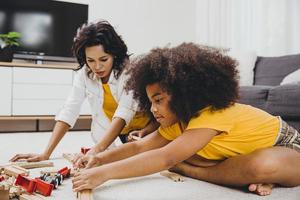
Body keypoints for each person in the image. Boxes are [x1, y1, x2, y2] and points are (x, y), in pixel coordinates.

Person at [72, 43, 300, 196]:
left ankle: (193, 170)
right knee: (205, 155)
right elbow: (139, 147)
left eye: (159, 100)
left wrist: (102, 175)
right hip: (242, 153)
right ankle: (246, 175)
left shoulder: (212, 113)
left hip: (287, 145)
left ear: (183, 94)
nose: (153, 109)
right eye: (150, 102)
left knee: (263, 165)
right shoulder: (177, 121)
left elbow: (164, 157)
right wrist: (99, 159)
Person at [10, 20, 157, 164]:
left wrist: (96, 150)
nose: (97, 66)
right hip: (123, 134)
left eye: (103, 59)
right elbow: (70, 110)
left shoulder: (129, 72)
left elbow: (123, 113)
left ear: (114, 55)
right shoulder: (84, 74)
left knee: (148, 160)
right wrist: (45, 154)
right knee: (116, 159)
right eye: (90, 60)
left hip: (148, 128)